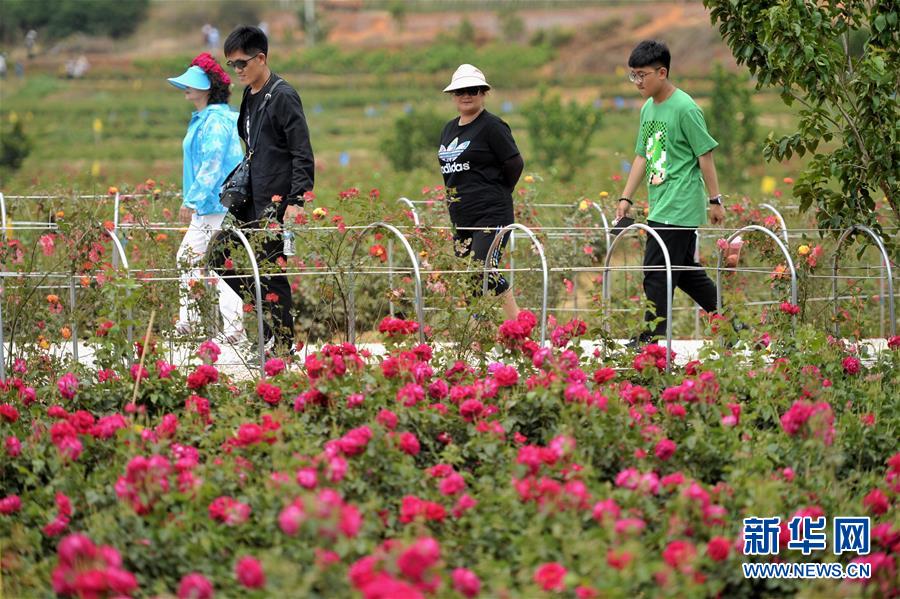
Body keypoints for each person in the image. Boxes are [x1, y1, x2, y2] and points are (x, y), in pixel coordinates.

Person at [615, 40, 724, 344]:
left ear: (662, 72)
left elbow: (705, 155)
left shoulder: (686, 108)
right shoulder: (649, 108)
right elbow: (643, 156)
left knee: (656, 269)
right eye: (633, 75)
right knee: (684, 271)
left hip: (681, 202)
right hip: (660, 201)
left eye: (642, 75)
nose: (637, 82)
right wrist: (626, 197)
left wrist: (715, 200)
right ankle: (732, 325)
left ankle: (651, 337)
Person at [219, 25, 314, 356]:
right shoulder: (249, 96)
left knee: (273, 271)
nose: (238, 71)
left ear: (261, 58)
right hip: (250, 198)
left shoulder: (282, 95)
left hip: (276, 201)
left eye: (243, 63)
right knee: (220, 254)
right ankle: (267, 320)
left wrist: (297, 200)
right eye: (233, 65)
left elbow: (301, 150)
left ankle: (282, 346)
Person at [168, 53, 245, 342]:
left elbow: (212, 163)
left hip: (217, 205)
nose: (186, 89)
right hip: (210, 206)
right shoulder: (208, 119)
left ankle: (231, 328)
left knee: (214, 263)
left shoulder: (215, 122)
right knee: (190, 259)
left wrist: (192, 199)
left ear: (208, 88)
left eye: (192, 83)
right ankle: (191, 321)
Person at [438, 63, 523, 321]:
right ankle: (477, 337)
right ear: (453, 95)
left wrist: (497, 191)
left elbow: (514, 163)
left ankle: (519, 327)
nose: (467, 95)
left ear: (483, 93)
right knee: (470, 277)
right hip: (462, 216)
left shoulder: (493, 126)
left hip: (491, 213)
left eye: (473, 90)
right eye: (461, 90)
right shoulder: (449, 129)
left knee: (484, 269)